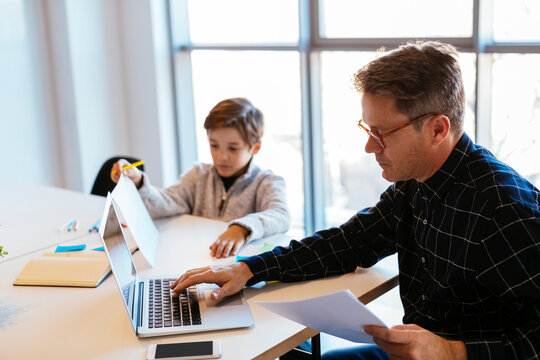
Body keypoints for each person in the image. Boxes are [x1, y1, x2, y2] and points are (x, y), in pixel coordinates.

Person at [169, 41, 540, 359]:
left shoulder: (503, 209)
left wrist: (453, 352)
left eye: (381, 133)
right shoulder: (415, 183)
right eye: (367, 129)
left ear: (437, 129)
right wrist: (250, 269)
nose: (368, 146)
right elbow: (350, 242)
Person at [111, 97, 290, 258]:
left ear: (255, 147)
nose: (221, 156)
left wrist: (241, 229)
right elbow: (167, 201)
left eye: (233, 148)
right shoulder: (198, 175)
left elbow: (281, 216)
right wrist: (139, 182)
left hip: (236, 269)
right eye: (214, 145)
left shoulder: (267, 182)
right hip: (196, 259)